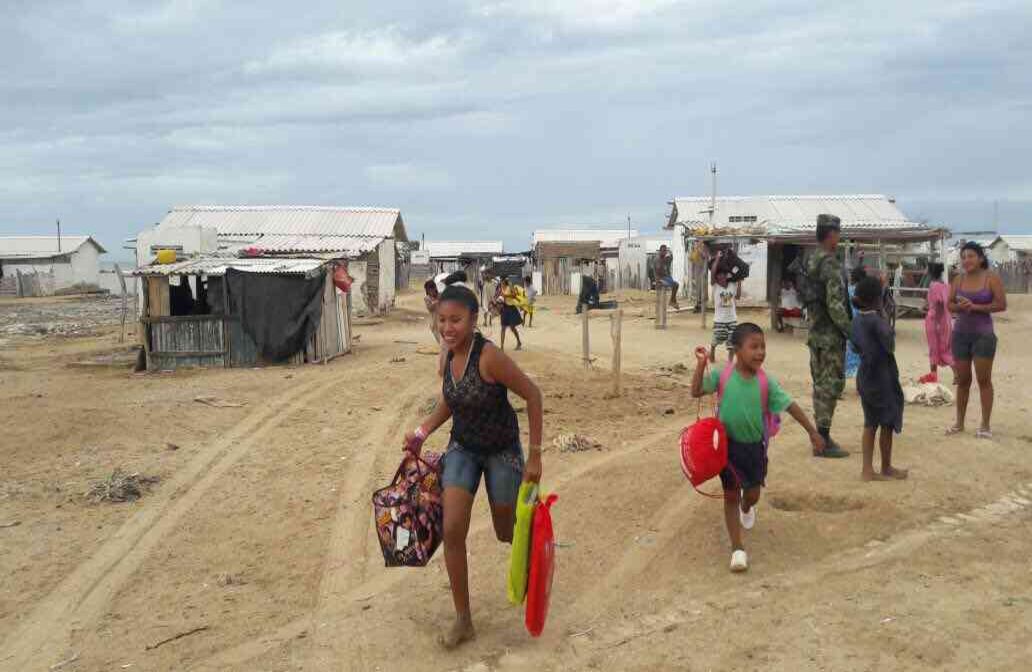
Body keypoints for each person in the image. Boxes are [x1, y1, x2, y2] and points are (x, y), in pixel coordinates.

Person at [403, 285, 543, 649]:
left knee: (505, 531)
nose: (448, 327)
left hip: (500, 449)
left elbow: (533, 395)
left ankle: (538, 555)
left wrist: (536, 455)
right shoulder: (447, 355)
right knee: (452, 530)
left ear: (473, 320)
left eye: (456, 320)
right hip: (464, 447)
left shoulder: (490, 356)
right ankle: (464, 619)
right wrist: (422, 431)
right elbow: (451, 401)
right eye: (443, 320)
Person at [690, 323, 826, 572]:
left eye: (763, 346)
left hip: (754, 450)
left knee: (751, 494)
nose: (760, 352)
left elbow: (790, 406)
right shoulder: (723, 375)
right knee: (731, 495)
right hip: (727, 449)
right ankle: (737, 548)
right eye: (754, 347)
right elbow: (696, 391)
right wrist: (701, 365)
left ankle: (747, 506)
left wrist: (812, 431)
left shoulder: (766, 383)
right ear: (737, 349)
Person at [947, 242, 1007, 439]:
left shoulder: (991, 278)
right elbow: (949, 304)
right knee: (963, 380)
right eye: (963, 257)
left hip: (983, 335)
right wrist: (961, 307)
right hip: (960, 335)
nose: (966, 260)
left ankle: (985, 425)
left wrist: (975, 307)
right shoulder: (957, 279)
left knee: (984, 381)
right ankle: (959, 423)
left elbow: (1001, 304)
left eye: (971, 256)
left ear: (981, 258)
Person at [850, 276, 907, 482]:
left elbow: (855, 346)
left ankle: (868, 468)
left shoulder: (857, 320)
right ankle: (885, 466)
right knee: (886, 422)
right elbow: (889, 344)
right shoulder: (876, 321)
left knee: (870, 422)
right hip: (882, 376)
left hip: (865, 374)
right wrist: (884, 315)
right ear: (877, 299)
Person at [805, 214, 852, 458]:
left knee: (819, 385)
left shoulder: (812, 259)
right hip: (830, 335)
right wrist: (851, 331)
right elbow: (836, 305)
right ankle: (822, 439)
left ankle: (820, 436)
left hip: (815, 333)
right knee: (831, 385)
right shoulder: (831, 263)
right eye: (838, 233)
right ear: (832, 234)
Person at [921, 262, 953, 384]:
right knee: (945, 348)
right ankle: (956, 374)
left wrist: (928, 308)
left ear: (930, 272)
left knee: (934, 349)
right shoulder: (947, 286)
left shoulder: (933, 286)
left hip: (935, 322)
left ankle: (934, 375)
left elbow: (936, 303)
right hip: (946, 320)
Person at [710, 269, 741, 362]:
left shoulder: (732, 285)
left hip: (732, 319)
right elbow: (712, 272)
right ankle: (712, 349)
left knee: (731, 343)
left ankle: (730, 362)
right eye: (719, 275)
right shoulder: (715, 286)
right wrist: (718, 258)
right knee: (717, 339)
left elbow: (738, 296)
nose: (722, 277)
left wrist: (739, 283)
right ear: (717, 277)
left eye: (723, 274)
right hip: (719, 320)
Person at [845, 266, 866, 380]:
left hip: (850, 323)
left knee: (851, 349)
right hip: (863, 323)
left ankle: (850, 371)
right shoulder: (864, 291)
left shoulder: (847, 290)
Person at [498, 278, 524, 351]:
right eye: (500, 281)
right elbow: (500, 297)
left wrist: (506, 295)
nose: (501, 282)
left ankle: (519, 342)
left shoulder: (510, 287)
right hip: (504, 308)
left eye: (502, 281)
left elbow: (515, 295)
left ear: (504, 282)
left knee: (512, 327)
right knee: (503, 327)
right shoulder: (501, 288)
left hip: (511, 308)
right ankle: (502, 347)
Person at [654, 244, 680, 310]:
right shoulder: (657, 259)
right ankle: (672, 301)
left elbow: (671, 258)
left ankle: (673, 301)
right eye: (663, 251)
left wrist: (670, 255)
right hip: (660, 278)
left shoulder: (666, 258)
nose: (664, 252)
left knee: (675, 284)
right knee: (675, 285)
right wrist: (664, 261)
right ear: (660, 251)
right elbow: (659, 271)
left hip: (666, 277)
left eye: (665, 251)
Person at [424, 279, 441, 344]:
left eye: (432, 289)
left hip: (442, 321)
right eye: (428, 290)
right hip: (434, 323)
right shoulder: (427, 298)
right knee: (439, 340)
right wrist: (436, 302)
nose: (431, 292)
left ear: (435, 288)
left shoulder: (440, 295)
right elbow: (429, 308)